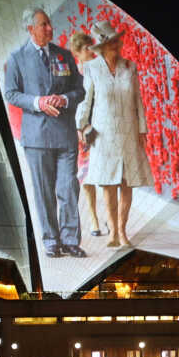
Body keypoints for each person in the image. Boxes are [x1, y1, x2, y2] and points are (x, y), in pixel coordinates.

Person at [4, 6, 87, 258]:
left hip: (64, 134)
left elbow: (79, 90)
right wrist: (38, 102)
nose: (50, 28)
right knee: (43, 190)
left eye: (49, 23)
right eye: (43, 25)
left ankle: (71, 239)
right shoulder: (17, 57)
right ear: (31, 29)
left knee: (68, 187)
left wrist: (63, 98)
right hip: (37, 137)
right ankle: (51, 240)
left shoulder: (63, 55)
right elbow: (11, 93)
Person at [75, 20, 154, 248]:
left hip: (129, 132)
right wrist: (81, 126)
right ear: (102, 46)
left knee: (126, 183)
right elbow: (86, 100)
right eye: (112, 42)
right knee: (108, 184)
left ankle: (122, 230)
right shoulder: (91, 68)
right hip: (104, 134)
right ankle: (112, 232)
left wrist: (142, 129)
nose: (117, 45)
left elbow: (138, 101)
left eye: (117, 41)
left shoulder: (130, 67)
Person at [68, 31, 104, 239]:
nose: (90, 51)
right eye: (85, 49)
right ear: (77, 53)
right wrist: (78, 128)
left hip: (102, 128)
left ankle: (109, 216)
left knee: (110, 177)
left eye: (91, 46)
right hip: (82, 131)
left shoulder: (101, 68)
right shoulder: (74, 77)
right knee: (87, 178)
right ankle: (94, 219)